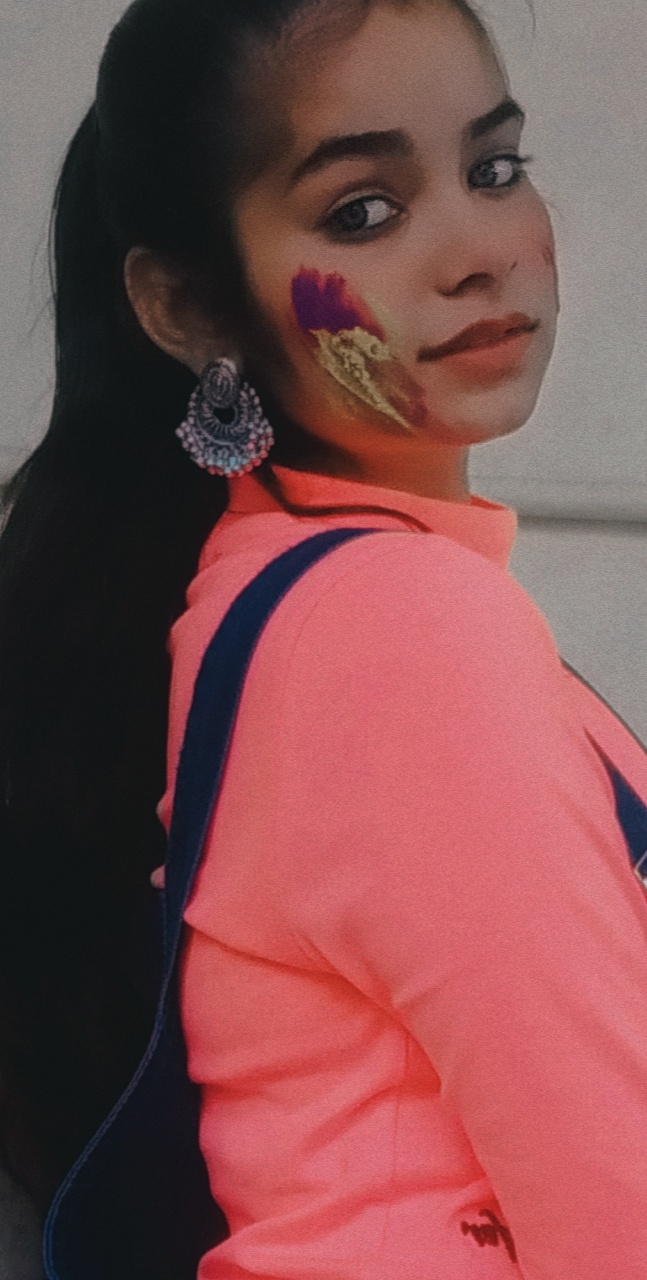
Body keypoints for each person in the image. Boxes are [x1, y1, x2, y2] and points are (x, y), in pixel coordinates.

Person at [1, 0, 647, 1275]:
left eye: (493, 168)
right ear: (190, 307)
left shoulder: (273, 593)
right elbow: (617, 1194)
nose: (477, 252)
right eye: (362, 211)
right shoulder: (393, 626)